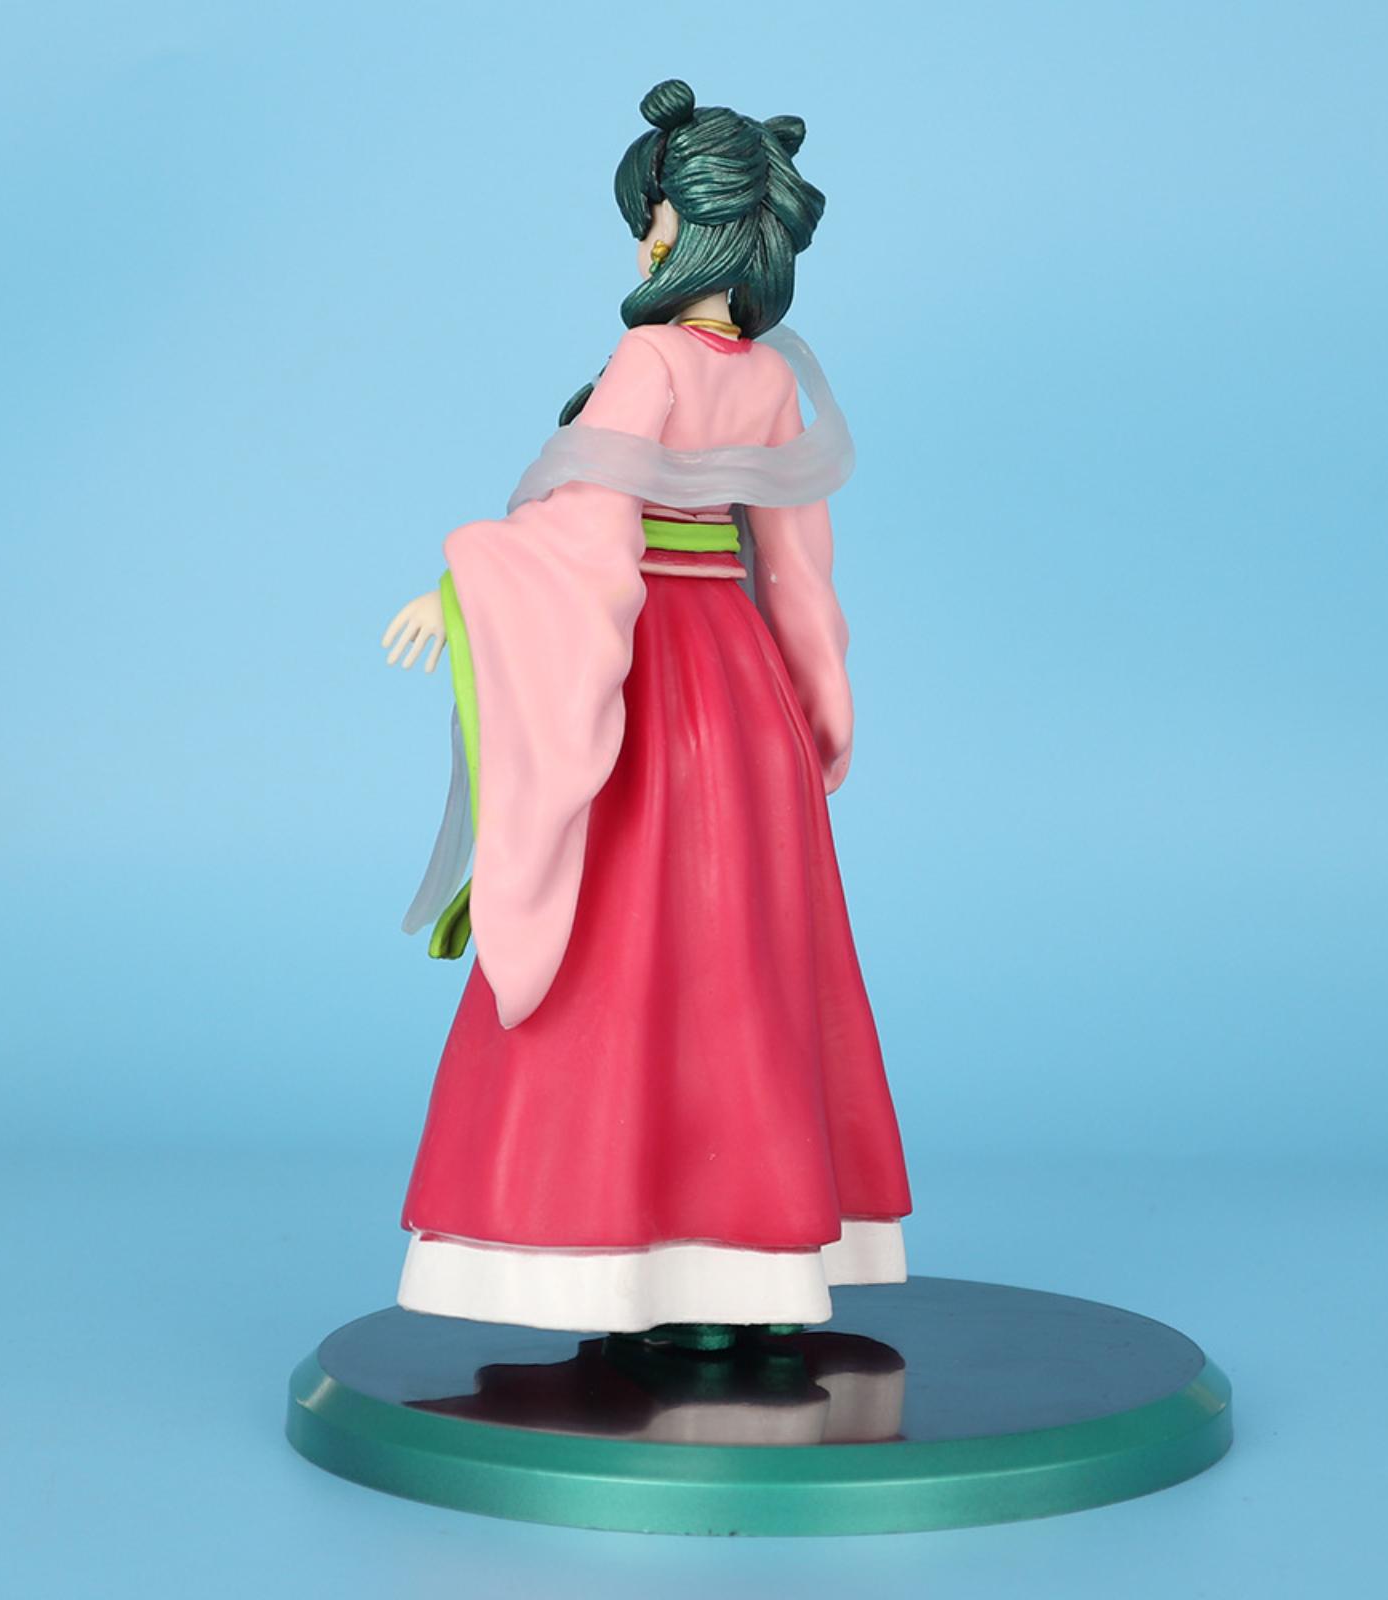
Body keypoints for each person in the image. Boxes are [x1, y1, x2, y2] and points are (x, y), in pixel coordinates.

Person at [379, 79, 910, 1347]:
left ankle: (624, 1255)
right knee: (746, 966)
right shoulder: (771, 378)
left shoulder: (650, 358)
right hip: (745, 687)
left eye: (652, 218)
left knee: (622, 953)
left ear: (690, 224)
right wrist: (818, 706)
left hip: (656, 676)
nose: (643, 245)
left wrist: (463, 583)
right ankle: (754, 1277)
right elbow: (798, 566)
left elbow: (584, 529)